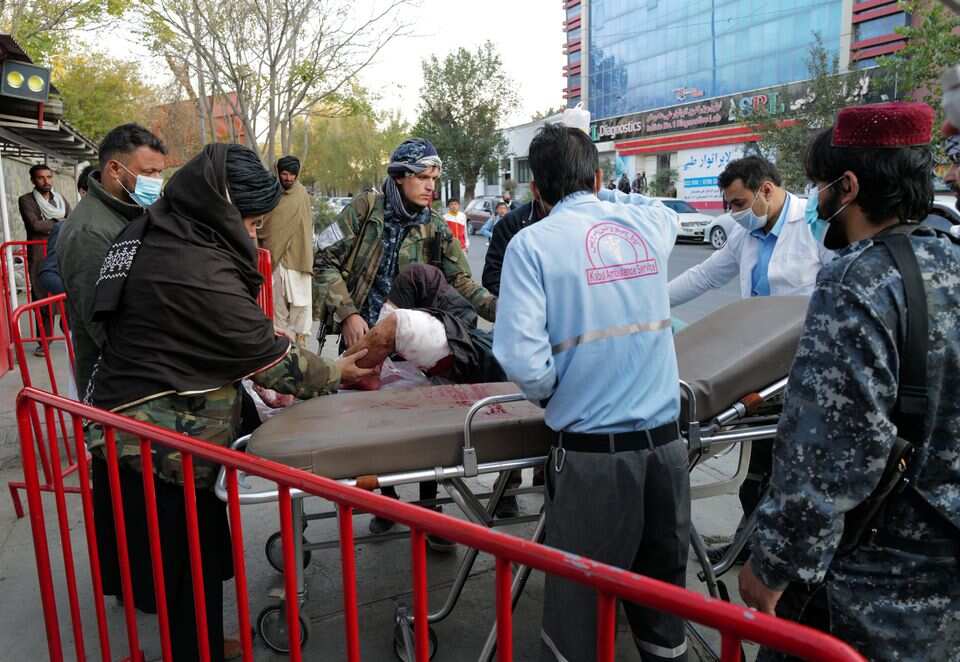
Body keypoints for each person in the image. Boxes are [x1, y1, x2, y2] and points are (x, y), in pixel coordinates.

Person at [87, 143, 372, 662]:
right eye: (253, 222)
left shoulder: (155, 229)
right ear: (221, 207)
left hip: (141, 423)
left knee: (188, 564)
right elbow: (269, 357)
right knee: (184, 568)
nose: (255, 234)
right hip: (160, 443)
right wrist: (339, 371)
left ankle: (202, 643)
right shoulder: (191, 264)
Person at [738, 102, 960, 661]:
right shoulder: (952, 260)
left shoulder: (857, 284)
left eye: (820, 186)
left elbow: (828, 454)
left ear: (849, 187)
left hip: (866, 593)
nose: (816, 202)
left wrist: (773, 564)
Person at [494, 124, 689, 662]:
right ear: (599, 179)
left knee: (579, 608)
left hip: (592, 461)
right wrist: (612, 196)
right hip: (667, 454)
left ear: (536, 190)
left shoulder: (532, 245)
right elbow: (662, 209)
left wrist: (556, 392)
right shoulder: (648, 225)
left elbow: (520, 357)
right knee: (663, 603)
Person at [313, 136, 496, 542]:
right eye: (423, 177)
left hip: (412, 340)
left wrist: (499, 309)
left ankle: (430, 511)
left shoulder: (435, 226)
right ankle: (388, 500)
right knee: (372, 426)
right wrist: (348, 313)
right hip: (363, 337)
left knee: (426, 424)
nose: (432, 186)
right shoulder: (365, 209)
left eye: (435, 178)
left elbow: (461, 281)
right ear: (399, 177)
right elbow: (323, 259)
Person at [669, 156, 831, 559]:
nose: (733, 213)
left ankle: (776, 554)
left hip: (800, 366)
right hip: (758, 366)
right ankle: (751, 545)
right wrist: (647, 299)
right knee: (759, 464)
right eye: (728, 204)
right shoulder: (747, 234)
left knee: (791, 466)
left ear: (767, 190)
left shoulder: (813, 228)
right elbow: (704, 276)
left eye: (739, 203)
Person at [58, 123, 167, 397]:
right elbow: (103, 324)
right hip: (117, 384)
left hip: (141, 368)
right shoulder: (88, 231)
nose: (156, 180)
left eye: (159, 172)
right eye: (148, 172)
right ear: (115, 169)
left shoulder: (133, 211)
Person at [258, 155, 314, 347]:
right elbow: (265, 225)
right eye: (284, 174)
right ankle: (281, 349)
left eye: (292, 174)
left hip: (298, 259)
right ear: (278, 173)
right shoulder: (271, 193)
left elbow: (305, 228)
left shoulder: (302, 194)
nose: (288, 178)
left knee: (301, 307)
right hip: (275, 259)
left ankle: (300, 349)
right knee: (277, 309)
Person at [18, 163, 72, 355]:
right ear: (33, 180)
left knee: (66, 294)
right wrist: (59, 223)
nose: (46, 181)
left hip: (60, 253)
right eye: (41, 178)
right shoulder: (26, 200)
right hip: (39, 255)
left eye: (49, 177)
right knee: (42, 298)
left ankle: (70, 334)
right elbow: (35, 225)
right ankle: (44, 342)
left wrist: (54, 224)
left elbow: (71, 220)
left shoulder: (60, 199)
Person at [482, 196, 548, 296]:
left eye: (504, 208)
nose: (502, 210)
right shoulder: (505, 222)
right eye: (500, 208)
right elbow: (493, 275)